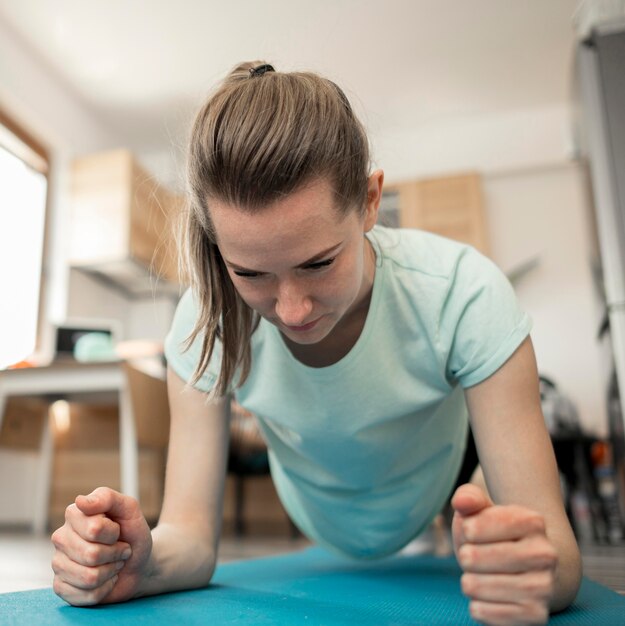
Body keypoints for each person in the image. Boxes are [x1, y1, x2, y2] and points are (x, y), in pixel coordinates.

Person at [51, 61, 582, 625]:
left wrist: (534, 570)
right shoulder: (203, 323)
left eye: (320, 263)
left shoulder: (465, 292)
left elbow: (560, 554)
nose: (292, 310)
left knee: (493, 503)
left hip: (441, 483)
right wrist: (143, 562)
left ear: (371, 201)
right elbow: (191, 535)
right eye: (251, 274)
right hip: (316, 512)